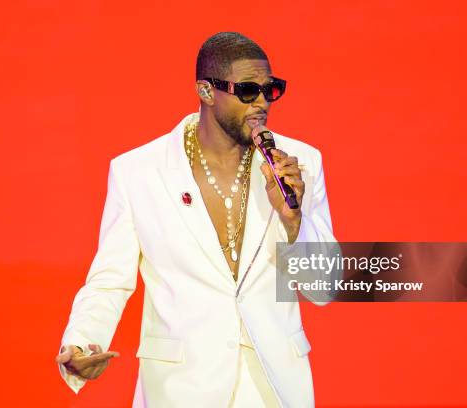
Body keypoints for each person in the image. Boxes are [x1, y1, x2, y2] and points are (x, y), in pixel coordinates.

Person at [55, 31, 336, 407]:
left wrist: (293, 221)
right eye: (248, 90)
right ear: (206, 91)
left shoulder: (300, 163)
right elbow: (109, 281)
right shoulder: (139, 171)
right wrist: (80, 341)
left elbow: (324, 289)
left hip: (274, 389)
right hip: (179, 389)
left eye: (271, 90)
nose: (261, 103)